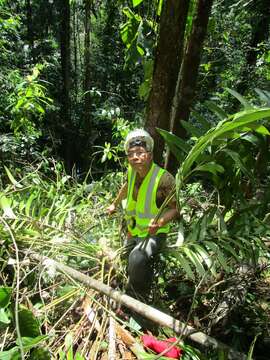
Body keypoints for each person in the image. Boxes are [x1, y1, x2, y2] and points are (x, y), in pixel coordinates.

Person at [107, 129, 179, 302]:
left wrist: (160, 223)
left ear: (150, 154)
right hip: (133, 230)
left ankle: (136, 300)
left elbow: (175, 209)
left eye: (140, 153)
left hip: (154, 233)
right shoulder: (132, 172)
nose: (135, 157)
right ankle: (123, 283)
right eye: (131, 154)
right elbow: (126, 187)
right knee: (123, 257)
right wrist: (114, 204)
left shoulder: (164, 179)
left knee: (137, 257)